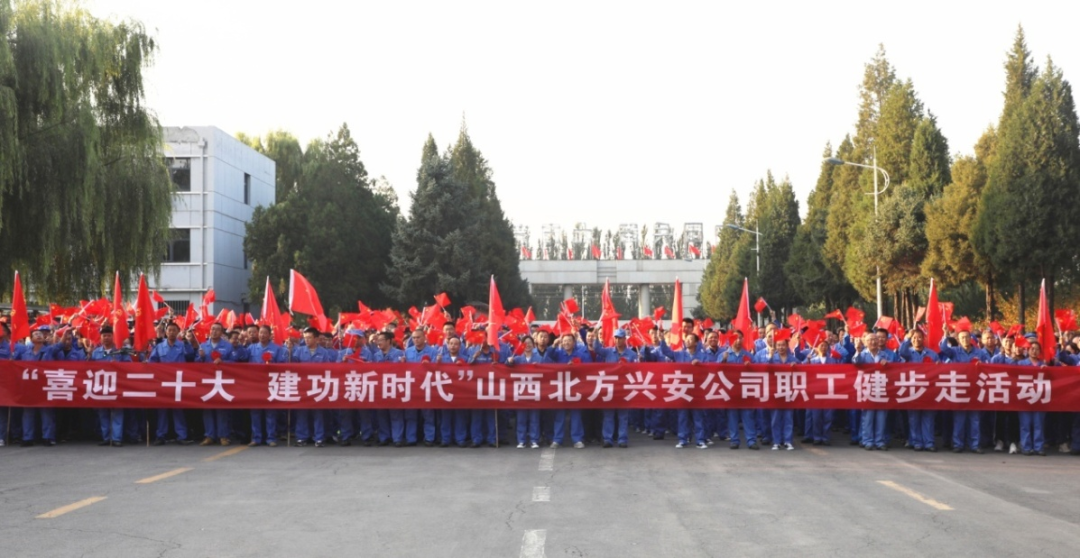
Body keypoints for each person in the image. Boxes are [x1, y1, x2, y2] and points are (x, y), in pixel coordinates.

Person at [938, 328, 991, 453]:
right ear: (958, 339)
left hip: (975, 389)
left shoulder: (979, 353)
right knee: (959, 419)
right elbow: (943, 348)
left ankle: (974, 445)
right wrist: (945, 335)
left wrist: (982, 365)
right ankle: (958, 444)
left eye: (967, 337)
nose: (965, 339)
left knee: (974, 419)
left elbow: (988, 366)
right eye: (962, 337)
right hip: (960, 389)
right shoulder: (954, 351)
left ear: (971, 338)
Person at [147, 322, 197, 445]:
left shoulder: (183, 345)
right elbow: (152, 362)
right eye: (169, 330)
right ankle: (161, 435)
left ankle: (182, 435)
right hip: (163, 382)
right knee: (162, 409)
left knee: (178, 409)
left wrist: (188, 342)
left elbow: (191, 356)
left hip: (178, 381)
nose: (172, 332)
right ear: (165, 332)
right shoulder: (159, 346)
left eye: (174, 330)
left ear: (178, 332)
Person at [657, 329, 708, 449]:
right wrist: (662, 340)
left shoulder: (703, 355)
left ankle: (700, 440)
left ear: (696, 342)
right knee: (682, 416)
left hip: (697, 390)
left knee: (698, 417)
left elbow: (709, 368)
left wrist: (700, 364)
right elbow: (666, 352)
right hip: (683, 389)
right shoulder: (679, 354)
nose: (687, 341)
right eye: (686, 339)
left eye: (690, 339)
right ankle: (683, 439)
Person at [289, 327, 337, 447]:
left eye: (309, 338)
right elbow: (291, 366)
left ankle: (319, 437)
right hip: (303, 386)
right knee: (302, 412)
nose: (306, 340)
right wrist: (288, 352)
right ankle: (302, 437)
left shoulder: (324, 352)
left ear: (316, 339)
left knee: (318, 412)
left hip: (318, 386)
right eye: (305, 338)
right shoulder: (299, 351)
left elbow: (327, 369)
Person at [544, 333, 592, 448]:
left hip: (576, 388)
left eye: (569, 340)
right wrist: (553, 345)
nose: (566, 343)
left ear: (574, 343)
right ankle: (557, 439)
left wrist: (576, 367)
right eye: (564, 341)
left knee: (576, 414)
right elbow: (546, 359)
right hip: (561, 388)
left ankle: (577, 439)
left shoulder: (580, 355)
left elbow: (589, 368)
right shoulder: (558, 353)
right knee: (559, 414)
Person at [592, 328, 637, 448]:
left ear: (624, 339)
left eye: (620, 338)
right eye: (616, 338)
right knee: (608, 415)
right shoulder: (608, 352)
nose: (617, 340)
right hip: (610, 387)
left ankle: (622, 439)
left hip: (624, 388)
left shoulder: (631, 354)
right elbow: (597, 349)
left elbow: (636, 371)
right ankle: (608, 439)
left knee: (623, 416)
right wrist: (596, 337)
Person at [852, 331, 897, 450]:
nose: (873, 342)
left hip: (882, 389)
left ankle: (879, 441)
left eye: (875, 339)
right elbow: (856, 362)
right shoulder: (862, 354)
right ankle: (867, 440)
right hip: (867, 389)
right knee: (868, 417)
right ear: (865, 342)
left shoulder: (885, 355)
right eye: (870, 340)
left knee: (881, 418)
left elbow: (894, 368)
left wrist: (888, 364)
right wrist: (858, 350)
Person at [897, 328, 939, 452]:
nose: (917, 340)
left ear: (924, 338)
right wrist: (907, 338)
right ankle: (916, 442)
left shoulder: (932, 354)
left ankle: (929, 442)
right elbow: (901, 351)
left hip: (928, 390)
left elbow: (940, 370)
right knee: (914, 418)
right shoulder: (908, 353)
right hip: (913, 390)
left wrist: (938, 366)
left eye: (919, 337)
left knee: (928, 418)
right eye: (914, 338)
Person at [89, 325, 131, 447]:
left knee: (117, 412)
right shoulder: (96, 352)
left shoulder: (121, 351)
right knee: (103, 413)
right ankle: (106, 437)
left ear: (113, 337)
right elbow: (90, 368)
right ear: (101, 338)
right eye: (104, 336)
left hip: (117, 385)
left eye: (109, 336)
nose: (106, 338)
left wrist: (118, 365)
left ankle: (116, 438)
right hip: (101, 386)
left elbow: (130, 365)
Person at [756, 329, 796, 451]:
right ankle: (777, 441)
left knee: (788, 418)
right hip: (775, 392)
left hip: (789, 392)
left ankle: (788, 441)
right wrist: (770, 357)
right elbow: (765, 369)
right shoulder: (772, 358)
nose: (781, 347)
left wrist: (805, 362)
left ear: (787, 346)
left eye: (783, 345)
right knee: (775, 418)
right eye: (778, 345)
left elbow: (804, 367)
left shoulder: (792, 359)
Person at [247, 325, 287, 447]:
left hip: (270, 383)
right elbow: (242, 360)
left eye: (265, 333)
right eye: (260, 333)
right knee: (255, 412)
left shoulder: (277, 348)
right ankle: (256, 438)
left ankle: (271, 438)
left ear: (269, 335)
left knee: (271, 412)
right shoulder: (251, 348)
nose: (262, 335)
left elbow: (282, 364)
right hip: (255, 384)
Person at [719, 329, 757, 450]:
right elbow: (715, 372)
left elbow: (758, 372)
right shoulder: (724, 355)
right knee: (732, 416)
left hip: (745, 390)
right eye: (735, 338)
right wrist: (723, 361)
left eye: (740, 338)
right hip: (730, 391)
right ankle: (734, 440)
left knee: (748, 416)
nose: (738, 340)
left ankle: (751, 440)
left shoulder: (748, 356)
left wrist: (751, 367)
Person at [198, 323, 235, 446]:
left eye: (217, 330)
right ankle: (209, 435)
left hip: (222, 380)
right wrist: (201, 357)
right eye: (212, 329)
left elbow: (234, 362)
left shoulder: (228, 346)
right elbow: (195, 363)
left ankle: (223, 435)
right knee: (207, 408)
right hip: (207, 380)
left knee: (222, 408)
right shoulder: (203, 345)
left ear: (222, 332)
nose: (214, 331)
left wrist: (223, 361)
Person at [370, 331, 405, 446]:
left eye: (381, 340)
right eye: (378, 340)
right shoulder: (376, 355)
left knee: (395, 413)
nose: (378, 342)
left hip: (394, 386)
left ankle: (397, 438)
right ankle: (384, 437)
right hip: (380, 387)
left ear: (388, 341)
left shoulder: (399, 353)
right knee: (381, 413)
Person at [802, 335, 839, 446]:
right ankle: (817, 437)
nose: (823, 348)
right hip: (815, 392)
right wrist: (807, 360)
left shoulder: (832, 361)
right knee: (816, 416)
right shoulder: (812, 360)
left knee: (828, 416)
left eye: (825, 346)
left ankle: (826, 437)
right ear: (817, 348)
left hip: (829, 391)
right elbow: (803, 369)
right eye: (821, 346)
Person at [404, 328, 439, 447]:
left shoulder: (433, 351)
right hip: (412, 386)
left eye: (418, 337)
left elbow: (436, 368)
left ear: (424, 338)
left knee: (428, 414)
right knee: (410, 414)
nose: (416, 340)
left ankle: (429, 438)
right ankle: (411, 438)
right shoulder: (407, 351)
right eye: (414, 338)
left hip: (427, 386)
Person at [509, 335, 542, 449]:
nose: (527, 345)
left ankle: (534, 440)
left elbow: (547, 369)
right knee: (521, 418)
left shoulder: (539, 358)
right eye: (525, 343)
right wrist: (509, 361)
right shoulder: (517, 358)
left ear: (533, 345)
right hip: (521, 391)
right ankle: (521, 440)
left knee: (534, 418)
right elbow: (507, 365)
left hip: (535, 391)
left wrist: (539, 367)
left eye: (530, 343)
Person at [1017, 339, 1049, 456]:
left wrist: (1047, 371)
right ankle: (1026, 447)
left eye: (1037, 349)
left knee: (1038, 423)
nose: (1034, 351)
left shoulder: (1043, 364)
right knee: (1025, 424)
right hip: (1025, 397)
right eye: (1032, 349)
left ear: (1040, 351)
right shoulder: (1021, 364)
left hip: (1039, 398)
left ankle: (1038, 447)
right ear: (1027, 350)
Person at [436, 335, 469, 447]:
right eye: (451, 344)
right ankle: (445, 439)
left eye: (456, 344)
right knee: (445, 416)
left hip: (460, 392)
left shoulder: (465, 358)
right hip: (445, 391)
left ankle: (460, 439)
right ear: (447, 345)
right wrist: (437, 363)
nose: (453, 346)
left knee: (460, 416)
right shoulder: (441, 358)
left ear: (460, 346)